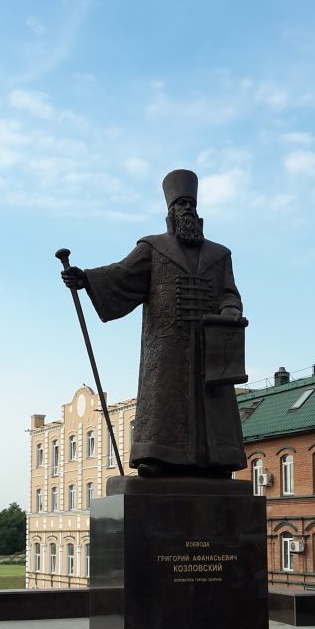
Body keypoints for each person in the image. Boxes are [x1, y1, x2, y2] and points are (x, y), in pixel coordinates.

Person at [62, 169, 248, 478]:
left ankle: (218, 459)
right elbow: (122, 274)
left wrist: (230, 311)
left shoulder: (220, 254)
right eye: (181, 204)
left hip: (210, 345)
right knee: (163, 399)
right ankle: (157, 457)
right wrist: (86, 279)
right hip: (167, 345)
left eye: (191, 204)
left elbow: (229, 293)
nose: (187, 209)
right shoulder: (153, 247)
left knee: (213, 403)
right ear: (170, 212)